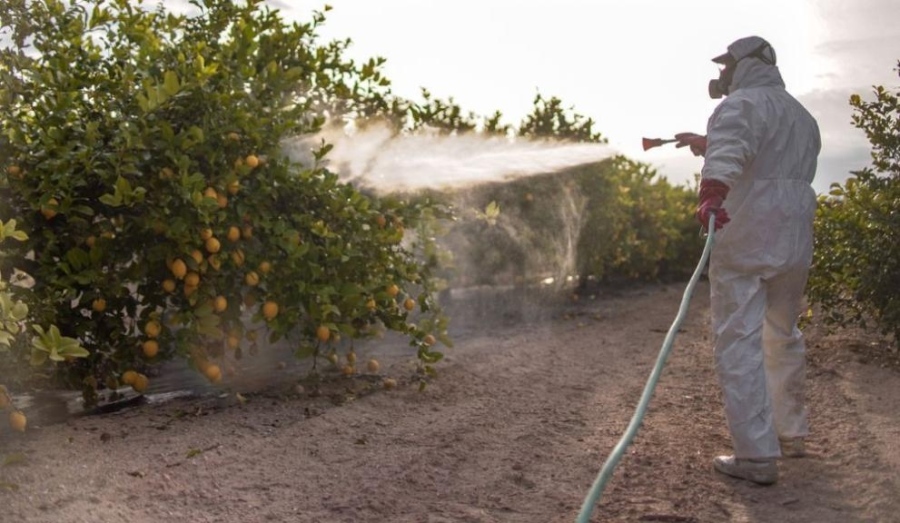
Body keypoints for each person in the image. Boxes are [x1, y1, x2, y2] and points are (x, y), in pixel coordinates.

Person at [674, 36, 821, 485]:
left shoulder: (738, 105)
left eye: (727, 65)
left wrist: (711, 193)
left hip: (749, 232)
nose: (722, 74)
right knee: (781, 332)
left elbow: (732, 151)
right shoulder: (801, 115)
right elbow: (766, 157)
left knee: (738, 337)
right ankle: (789, 432)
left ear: (749, 65)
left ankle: (756, 456)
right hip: (794, 237)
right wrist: (709, 143)